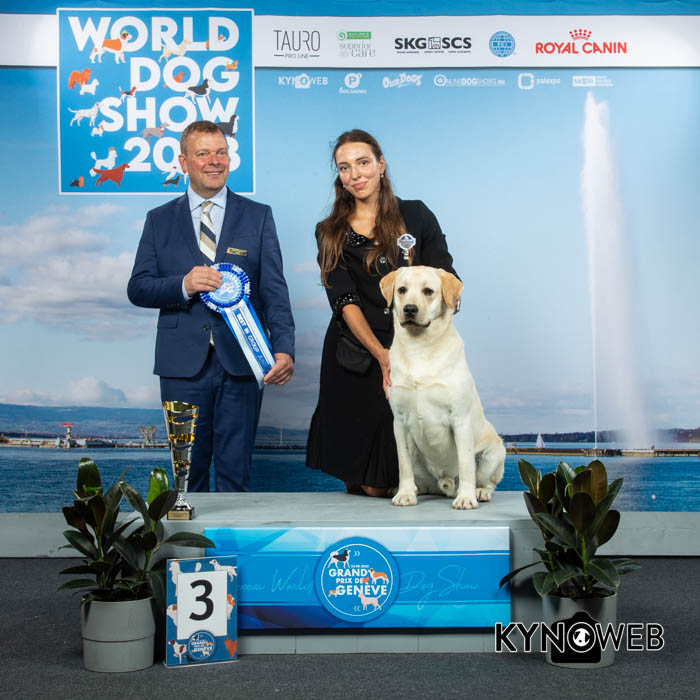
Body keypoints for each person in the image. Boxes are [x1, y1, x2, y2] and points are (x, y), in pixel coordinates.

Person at [127, 120, 295, 492]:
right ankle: (187, 533)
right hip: (180, 367)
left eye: (221, 152)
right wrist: (183, 285)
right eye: (203, 154)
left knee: (236, 476)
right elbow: (138, 288)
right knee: (187, 478)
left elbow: (275, 291)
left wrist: (284, 348)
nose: (214, 161)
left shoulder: (258, 215)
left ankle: (232, 535)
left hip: (243, 362)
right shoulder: (158, 220)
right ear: (183, 162)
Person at [306, 129, 458, 496]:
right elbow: (344, 301)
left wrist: (433, 337)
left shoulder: (416, 215)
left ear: (381, 165)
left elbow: (446, 279)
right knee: (362, 487)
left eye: (363, 163)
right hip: (355, 356)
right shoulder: (329, 232)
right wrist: (382, 356)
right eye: (344, 167)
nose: (355, 174)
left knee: (388, 485)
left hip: (411, 353)